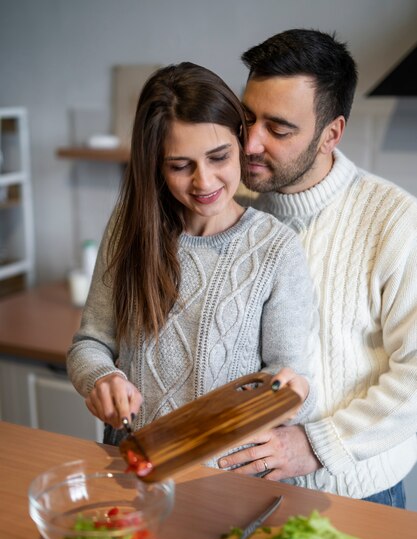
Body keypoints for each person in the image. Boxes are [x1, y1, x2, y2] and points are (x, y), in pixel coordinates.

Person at [66, 62, 317, 471]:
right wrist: (100, 379)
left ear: (240, 143)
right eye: (180, 166)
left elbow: (288, 377)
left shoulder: (276, 249)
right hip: (133, 468)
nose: (204, 181)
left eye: (218, 157)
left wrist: (294, 392)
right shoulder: (130, 230)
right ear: (156, 166)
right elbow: (89, 345)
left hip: (223, 481)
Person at [218, 29, 417, 506]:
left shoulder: (394, 219)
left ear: (331, 133)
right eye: (247, 119)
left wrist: (316, 443)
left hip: (353, 494)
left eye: (279, 129)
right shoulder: (227, 207)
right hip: (233, 485)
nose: (250, 144)